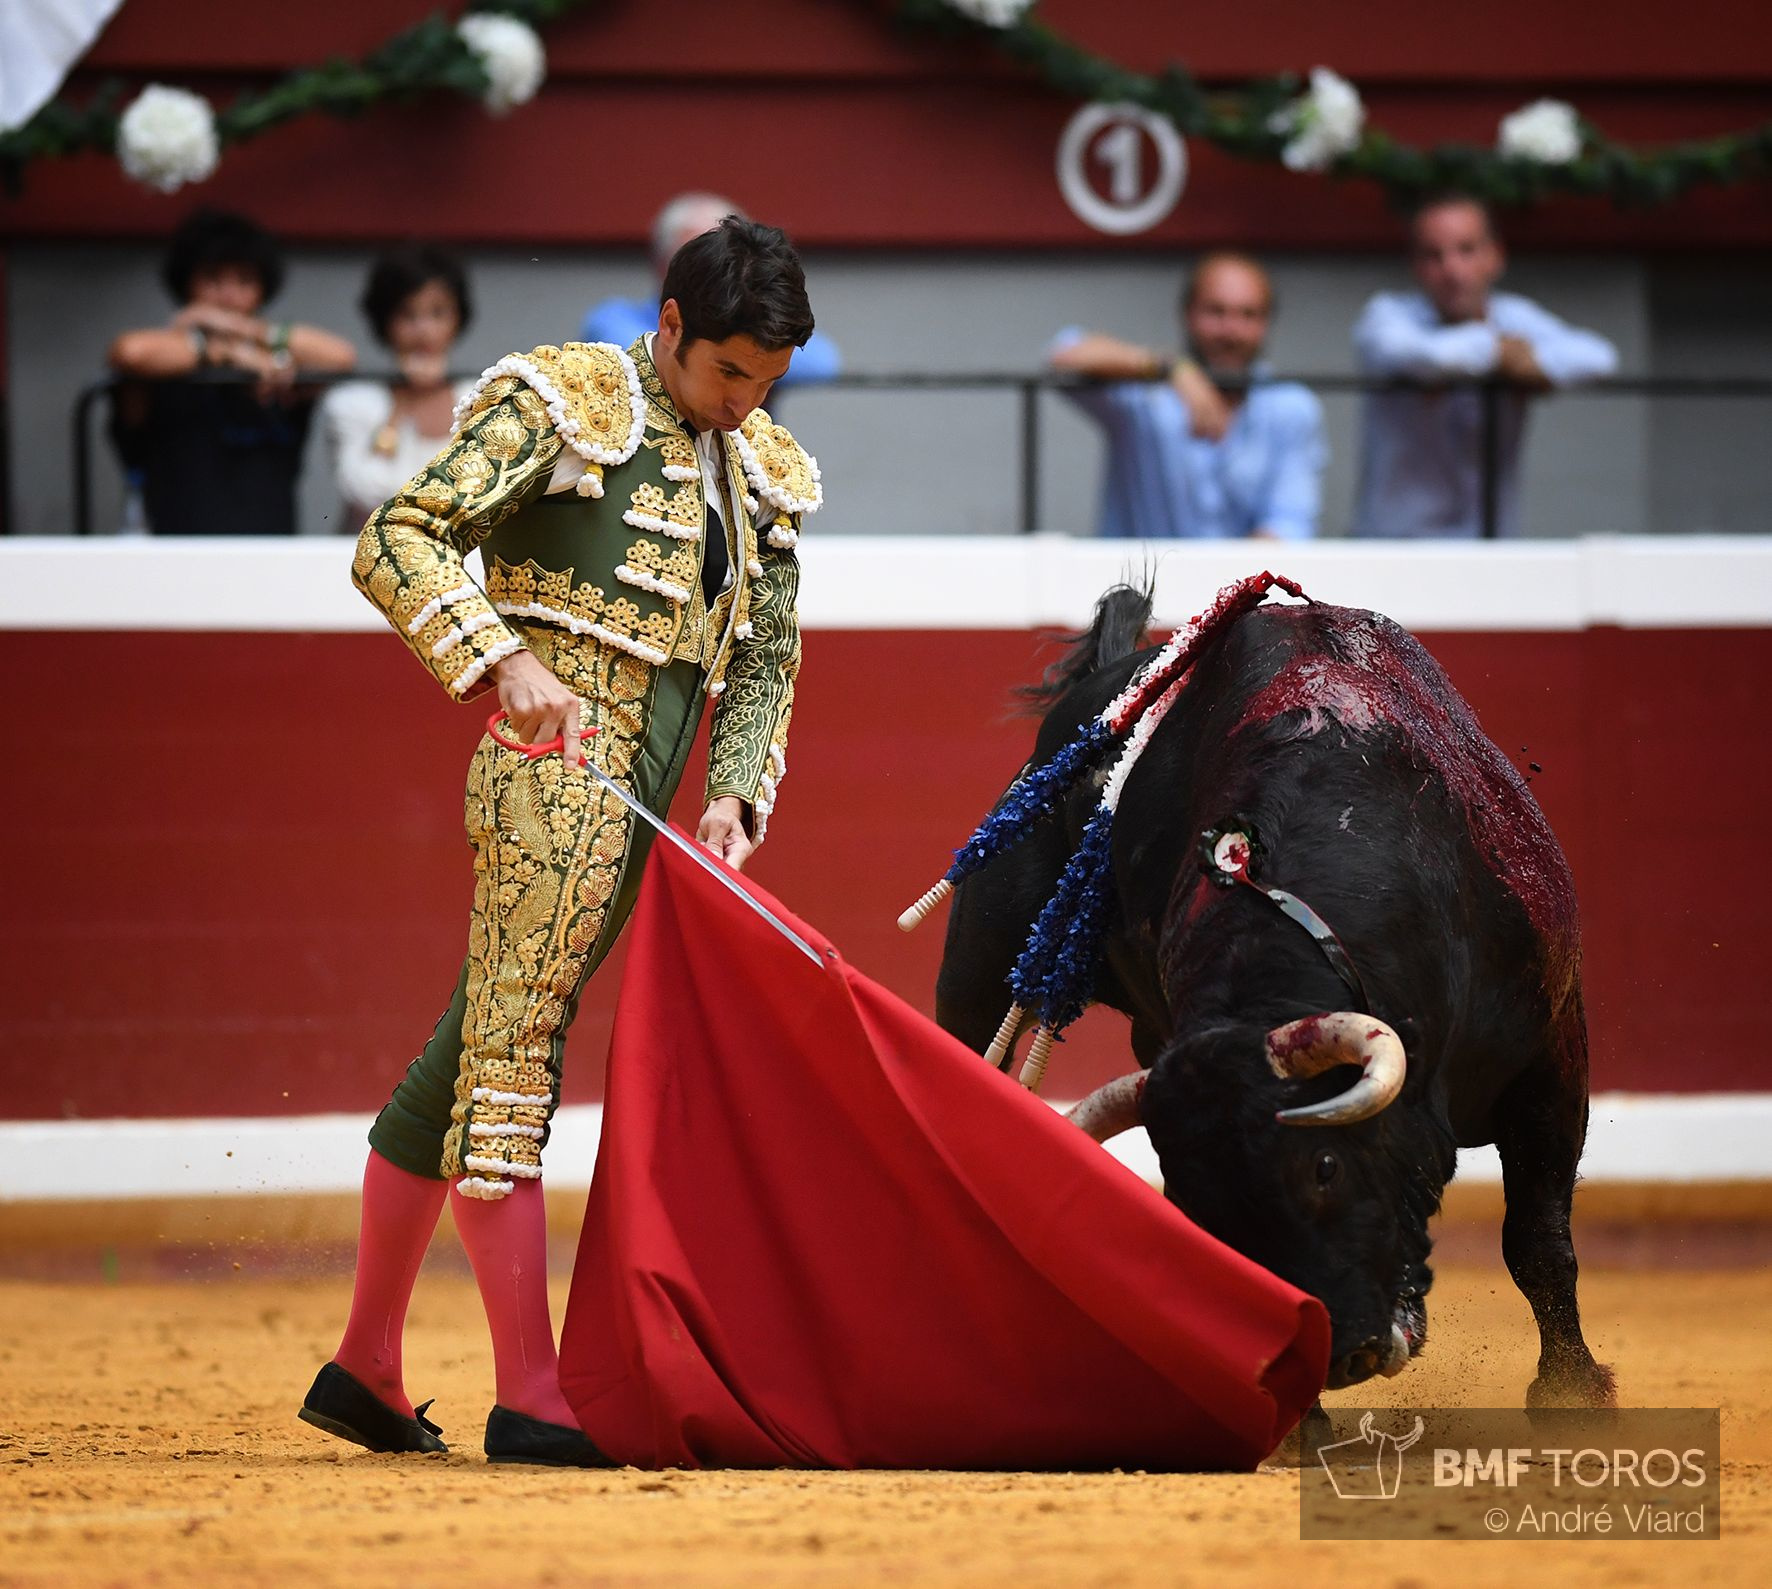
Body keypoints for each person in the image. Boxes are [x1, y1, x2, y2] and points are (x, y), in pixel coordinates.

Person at [301, 217, 822, 1467]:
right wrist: (501, 658)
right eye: (726, 374)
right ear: (670, 327)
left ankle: (366, 1362)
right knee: (513, 1061)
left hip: (641, 791)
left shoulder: (758, 464)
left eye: (767, 383)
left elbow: (763, 649)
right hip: (552, 767)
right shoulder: (568, 400)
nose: (744, 404)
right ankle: (530, 1388)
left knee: (472, 1048)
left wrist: (738, 790)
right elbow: (397, 534)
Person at [1352, 193, 1619, 538]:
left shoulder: (1514, 315)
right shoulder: (1387, 314)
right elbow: (1418, 356)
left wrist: (1532, 364)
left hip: (1490, 540)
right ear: (1416, 266)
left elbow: (1598, 357)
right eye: (1434, 255)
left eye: (1466, 250)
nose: (1451, 269)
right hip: (1396, 543)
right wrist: (1498, 353)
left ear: (1496, 256)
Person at [107, 209, 356, 534]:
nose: (228, 296)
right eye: (212, 279)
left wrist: (244, 332)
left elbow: (341, 357)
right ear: (187, 285)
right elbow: (130, 352)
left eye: (244, 281)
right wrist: (225, 353)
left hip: (268, 557)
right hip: (171, 557)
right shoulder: (164, 362)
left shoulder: (276, 363)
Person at [1047, 252, 1326, 541]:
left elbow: (1289, 525)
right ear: (1188, 314)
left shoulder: (1291, 407)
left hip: (1242, 584)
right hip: (1147, 584)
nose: (1231, 331)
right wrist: (1171, 367)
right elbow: (1063, 353)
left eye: (1248, 315)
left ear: (1266, 323)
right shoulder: (1146, 397)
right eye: (1216, 312)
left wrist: (1222, 582)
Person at [582, 192, 841, 389]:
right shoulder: (614, 318)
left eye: (728, 265)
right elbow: (644, 353)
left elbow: (823, 362)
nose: (717, 279)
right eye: (700, 265)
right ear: (664, 266)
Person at [318, 246, 477, 529]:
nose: (423, 330)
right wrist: (404, 401)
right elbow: (363, 490)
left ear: (457, 318)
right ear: (385, 322)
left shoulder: (479, 396)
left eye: (437, 313)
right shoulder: (352, 400)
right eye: (408, 315)